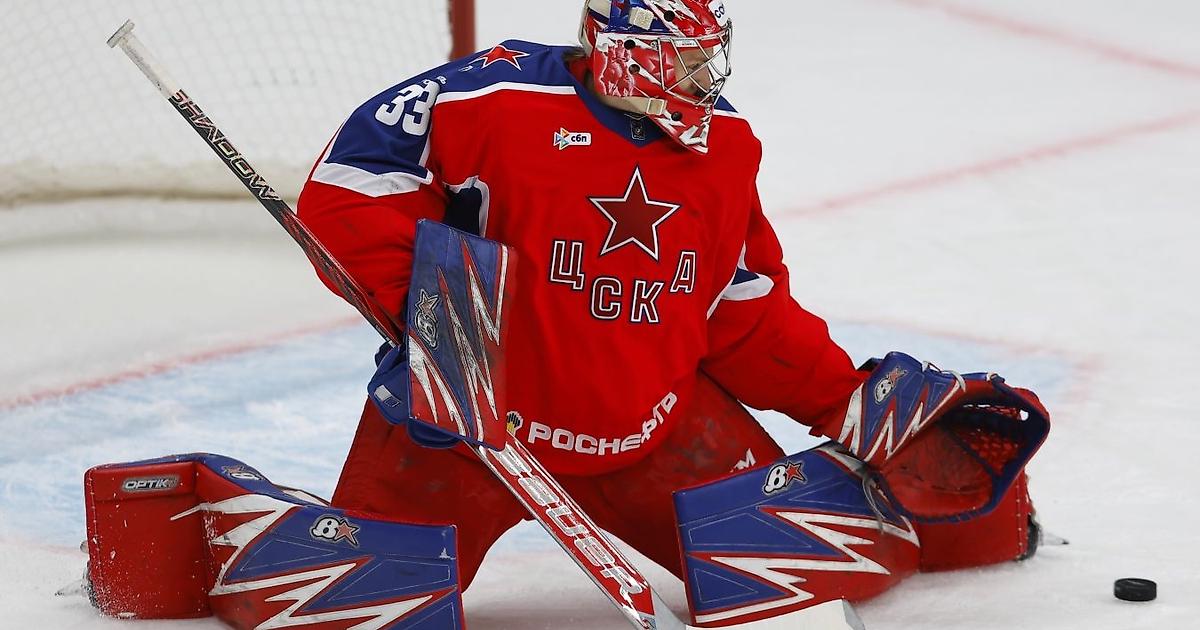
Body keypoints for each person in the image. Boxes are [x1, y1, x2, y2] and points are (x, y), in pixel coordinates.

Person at [295, 0, 1049, 617]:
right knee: (348, 606)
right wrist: (443, 320)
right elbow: (343, 193)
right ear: (628, 51)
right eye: (688, 58)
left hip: (652, 438)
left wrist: (843, 398)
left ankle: (966, 527)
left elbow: (742, 310)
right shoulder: (491, 96)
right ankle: (225, 519)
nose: (706, 77)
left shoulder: (726, 145)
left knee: (844, 557)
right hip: (463, 439)